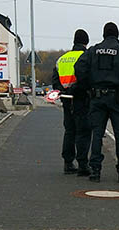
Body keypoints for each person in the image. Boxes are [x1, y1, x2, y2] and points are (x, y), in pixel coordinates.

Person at [75, 22, 119, 183]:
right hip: (117, 98)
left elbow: (79, 68)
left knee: (97, 134)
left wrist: (88, 88)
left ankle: (95, 171)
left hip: (97, 98)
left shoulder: (93, 51)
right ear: (117, 35)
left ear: (104, 34)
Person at [52, 29, 92, 176]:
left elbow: (55, 81)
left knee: (69, 131)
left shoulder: (62, 59)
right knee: (83, 132)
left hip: (66, 100)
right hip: (82, 99)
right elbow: (87, 79)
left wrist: (62, 91)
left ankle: (68, 163)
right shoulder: (86, 56)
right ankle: (83, 165)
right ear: (86, 42)